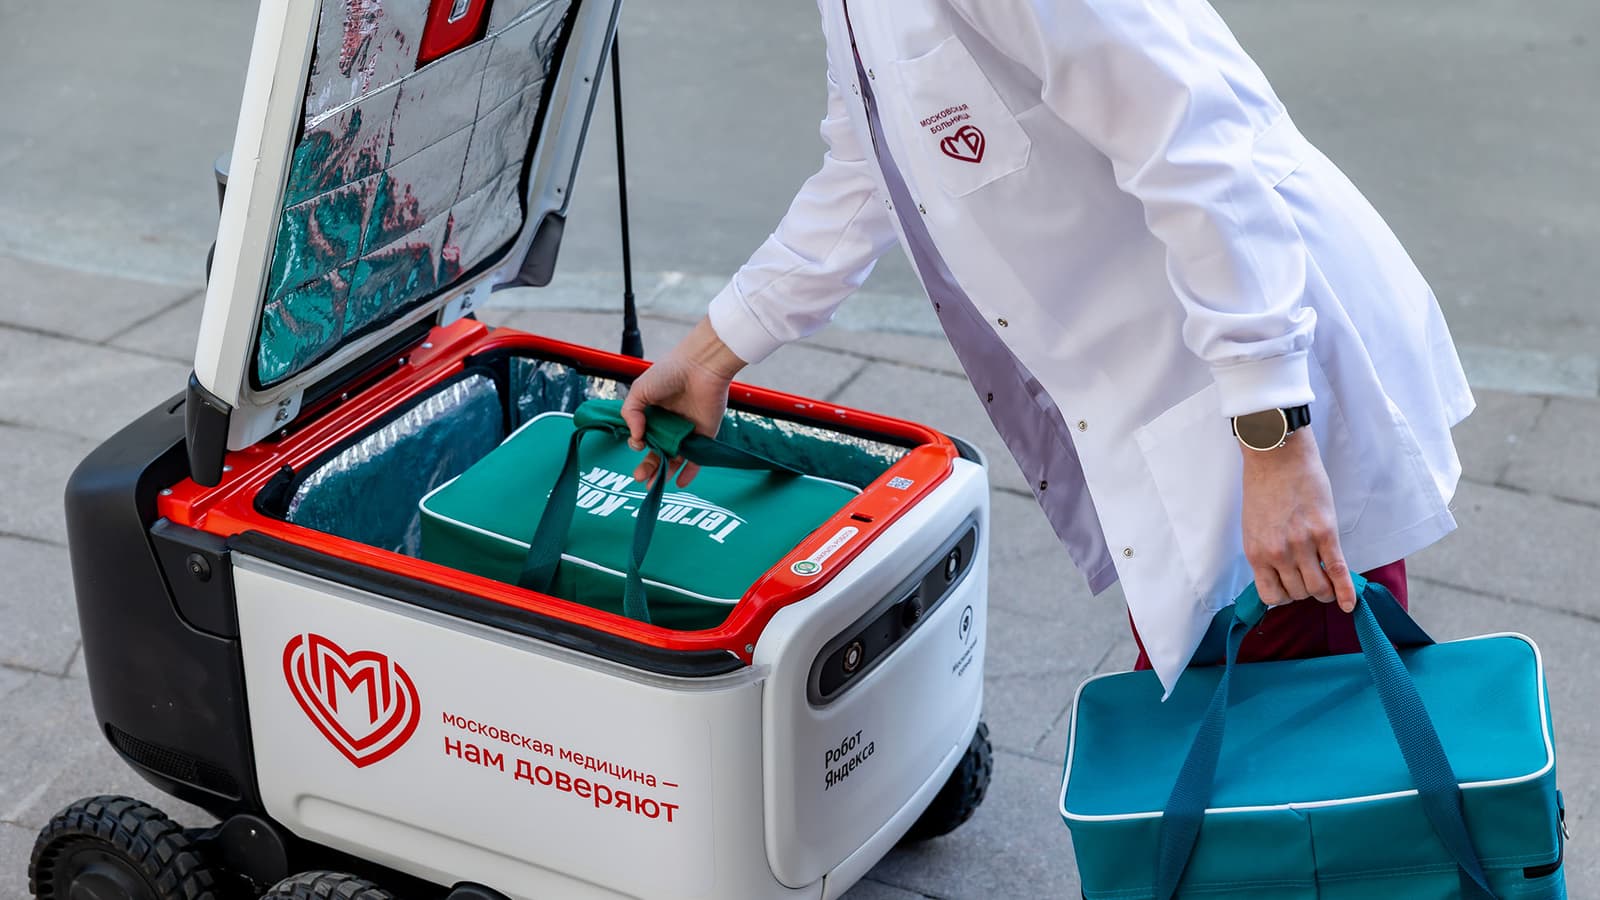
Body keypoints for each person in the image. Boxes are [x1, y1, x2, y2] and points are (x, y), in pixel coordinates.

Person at [620, 0, 1474, 691]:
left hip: (1264, 374)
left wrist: (1275, 439)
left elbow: (1194, 151)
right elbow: (865, 169)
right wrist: (709, 354)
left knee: (1290, 761)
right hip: (1197, 392)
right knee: (1245, 750)